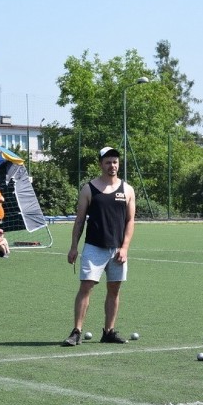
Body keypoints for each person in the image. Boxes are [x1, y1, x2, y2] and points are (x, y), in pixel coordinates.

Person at [63, 147, 136, 347]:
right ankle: (77, 331)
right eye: (107, 162)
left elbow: (130, 221)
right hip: (94, 247)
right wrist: (73, 247)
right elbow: (79, 220)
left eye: (115, 162)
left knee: (114, 289)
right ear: (100, 164)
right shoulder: (89, 189)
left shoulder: (127, 190)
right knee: (86, 287)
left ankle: (109, 331)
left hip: (118, 250)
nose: (112, 166)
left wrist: (125, 247)